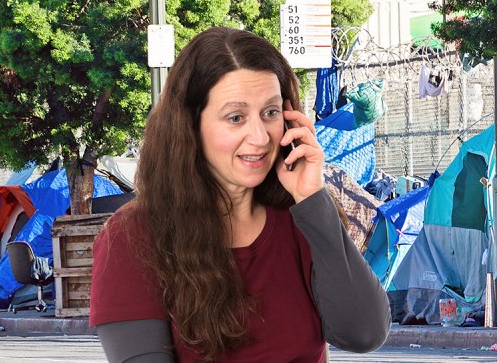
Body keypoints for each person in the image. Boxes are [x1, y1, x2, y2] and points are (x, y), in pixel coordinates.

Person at [89, 27, 391, 362]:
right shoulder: (132, 236)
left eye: (271, 112)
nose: (260, 137)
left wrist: (313, 199)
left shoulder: (300, 217)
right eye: (236, 117)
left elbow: (365, 334)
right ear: (190, 126)